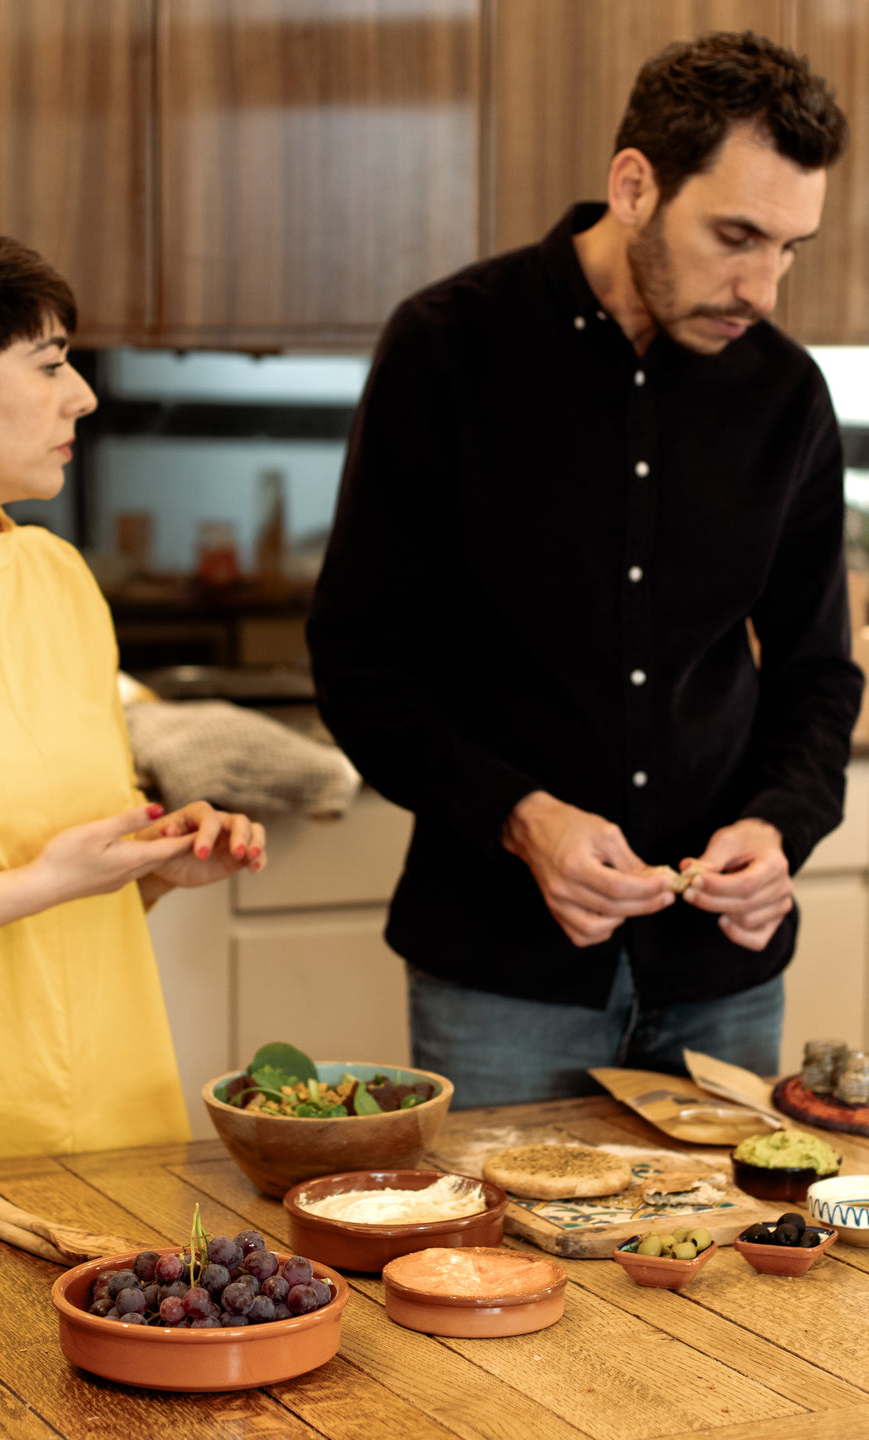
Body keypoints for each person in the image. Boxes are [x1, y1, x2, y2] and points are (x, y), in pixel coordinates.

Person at [306, 31, 865, 1107]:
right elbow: (359, 664)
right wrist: (523, 818)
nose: (763, 286)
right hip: (500, 975)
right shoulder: (446, 348)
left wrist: (779, 824)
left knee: (719, 1274)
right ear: (634, 184)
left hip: (724, 974)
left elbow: (815, 671)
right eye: (736, 235)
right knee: (494, 1270)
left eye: (790, 248)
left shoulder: (786, 394)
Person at [0, 215, 266, 1165]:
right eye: (49, 362)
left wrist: (149, 869)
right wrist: (46, 881)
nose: (83, 395)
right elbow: (36, 876)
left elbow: (63, 861)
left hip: (119, 1129)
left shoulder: (57, 578)